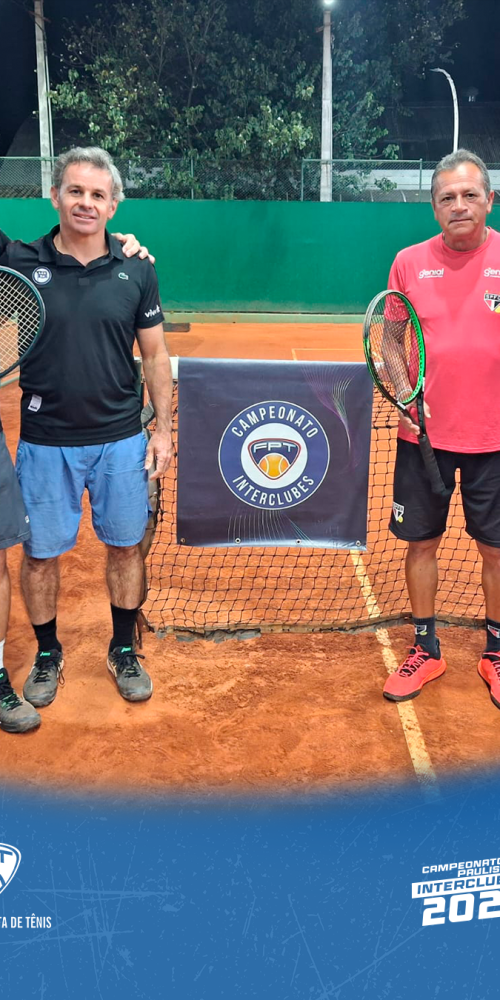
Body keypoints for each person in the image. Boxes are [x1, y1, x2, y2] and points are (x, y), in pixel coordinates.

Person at [1, 146, 172, 718]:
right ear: (55, 196)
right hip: (45, 441)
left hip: (120, 438)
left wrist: (162, 429)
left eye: (98, 194)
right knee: (40, 556)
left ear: (113, 206)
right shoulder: (19, 261)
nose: (85, 203)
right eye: (75, 191)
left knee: (125, 547)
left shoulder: (137, 268)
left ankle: (122, 649)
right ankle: (48, 653)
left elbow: (155, 356)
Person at [383, 148, 500, 707]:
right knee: (422, 544)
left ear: (489, 200)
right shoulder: (408, 263)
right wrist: (403, 393)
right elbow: (390, 340)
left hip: (495, 440)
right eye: (447, 197)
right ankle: (426, 648)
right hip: (422, 438)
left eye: (469, 194)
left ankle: (496, 651)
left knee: (496, 549)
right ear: (434, 208)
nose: (459, 205)